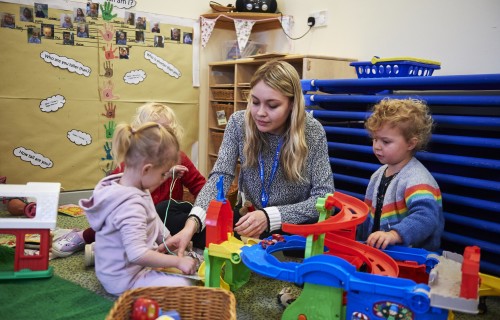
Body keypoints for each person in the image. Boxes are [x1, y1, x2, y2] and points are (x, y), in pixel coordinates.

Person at [166, 60, 335, 256]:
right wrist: (191, 225)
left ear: (292, 105)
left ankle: (262, 250)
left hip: (292, 227)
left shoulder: (312, 131)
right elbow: (220, 177)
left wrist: (270, 216)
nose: (260, 113)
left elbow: (324, 197)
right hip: (249, 219)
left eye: (272, 105)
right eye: (255, 102)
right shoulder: (238, 122)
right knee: (166, 211)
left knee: (301, 250)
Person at [52, 103, 206, 263]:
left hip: (162, 222)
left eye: (167, 132)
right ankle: (85, 237)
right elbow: (113, 200)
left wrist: (204, 213)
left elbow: (201, 187)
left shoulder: (179, 158)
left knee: (162, 234)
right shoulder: (133, 163)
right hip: (132, 221)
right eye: (154, 133)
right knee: (115, 225)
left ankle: (106, 251)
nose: (160, 140)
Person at [77, 122, 197, 296]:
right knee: (183, 285)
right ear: (146, 169)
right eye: (163, 174)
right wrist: (177, 262)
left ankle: (101, 255)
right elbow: (137, 254)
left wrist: (168, 238)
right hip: (124, 279)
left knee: (160, 258)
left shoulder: (130, 185)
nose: (165, 179)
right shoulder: (130, 206)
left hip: (121, 266)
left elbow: (152, 217)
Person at [356, 98, 443, 252]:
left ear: (411, 143)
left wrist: (394, 234)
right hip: (381, 252)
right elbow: (369, 214)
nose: (377, 146)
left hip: (412, 258)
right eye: (375, 139)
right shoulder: (378, 174)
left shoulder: (418, 179)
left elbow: (427, 218)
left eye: (386, 141)